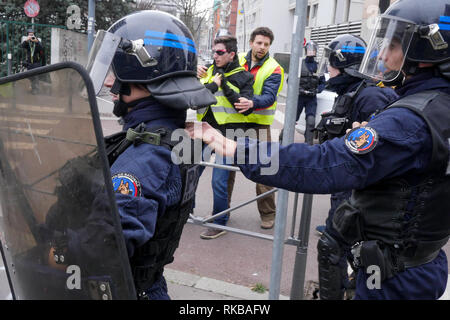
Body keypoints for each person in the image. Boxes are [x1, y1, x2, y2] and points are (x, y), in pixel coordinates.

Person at [187, 0, 450, 300]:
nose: (383, 55)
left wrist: (236, 148)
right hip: (417, 261)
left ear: (428, 51)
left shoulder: (410, 119)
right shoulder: (435, 107)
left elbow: (323, 165)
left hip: (394, 275)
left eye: (394, 44)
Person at [87, 10, 216, 299]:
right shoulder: (174, 134)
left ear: (141, 73)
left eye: (114, 72)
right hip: (149, 285)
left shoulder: (145, 159)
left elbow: (100, 247)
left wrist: (51, 251)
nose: (108, 83)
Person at [313, 34, 398, 300]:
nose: (327, 68)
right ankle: (352, 289)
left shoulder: (370, 96)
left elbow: (375, 151)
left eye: (330, 63)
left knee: (334, 248)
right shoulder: (352, 92)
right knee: (351, 250)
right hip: (346, 186)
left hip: (357, 191)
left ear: (344, 65)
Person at [198, 26, 284, 230]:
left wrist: (253, 103)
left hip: (258, 124)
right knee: (227, 171)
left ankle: (268, 213)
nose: (262, 47)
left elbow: (270, 96)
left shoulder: (274, 68)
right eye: (259, 42)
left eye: (266, 44)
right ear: (252, 43)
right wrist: (201, 70)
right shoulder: (239, 61)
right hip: (235, 122)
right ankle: (222, 211)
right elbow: (218, 66)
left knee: (264, 169)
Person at [197, 35, 254, 239]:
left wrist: (224, 86)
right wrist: (196, 76)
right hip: (204, 130)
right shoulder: (207, 70)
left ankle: (220, 222)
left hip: (230, 133)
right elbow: (195, 95)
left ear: (231, 54)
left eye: (220, 52)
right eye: (214, 51)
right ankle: (184, 212)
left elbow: (244, 108)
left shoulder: (244, 76)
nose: (215, 55)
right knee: (191, 173)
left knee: (219, 180)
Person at [295, 40, 326, 142]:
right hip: (299, 97)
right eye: (309, 49)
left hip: (311, 98)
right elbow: (290, 80)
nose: (311, 51)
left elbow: (322, 83)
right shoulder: (299, 64)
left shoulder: (318, 66)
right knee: (291, 120)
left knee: (311, 122)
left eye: (313, 50)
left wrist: (317, 90)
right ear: (305, 50)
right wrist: (299, 89)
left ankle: (308, 145)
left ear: (316, 51)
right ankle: (283, 139)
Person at [20, 28, 45, 93]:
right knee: (30, 77)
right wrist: (27, 40)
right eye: (30, 35)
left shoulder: (37, 41)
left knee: (36, 77)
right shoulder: (27, 42)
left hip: (36, 63)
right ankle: (33, 88)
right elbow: (22, 46)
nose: (31, 36)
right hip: (29, 63)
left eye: (32, 35)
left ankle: (35, 90)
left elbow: (41, 49)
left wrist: (37, 42)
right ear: (28, 35)